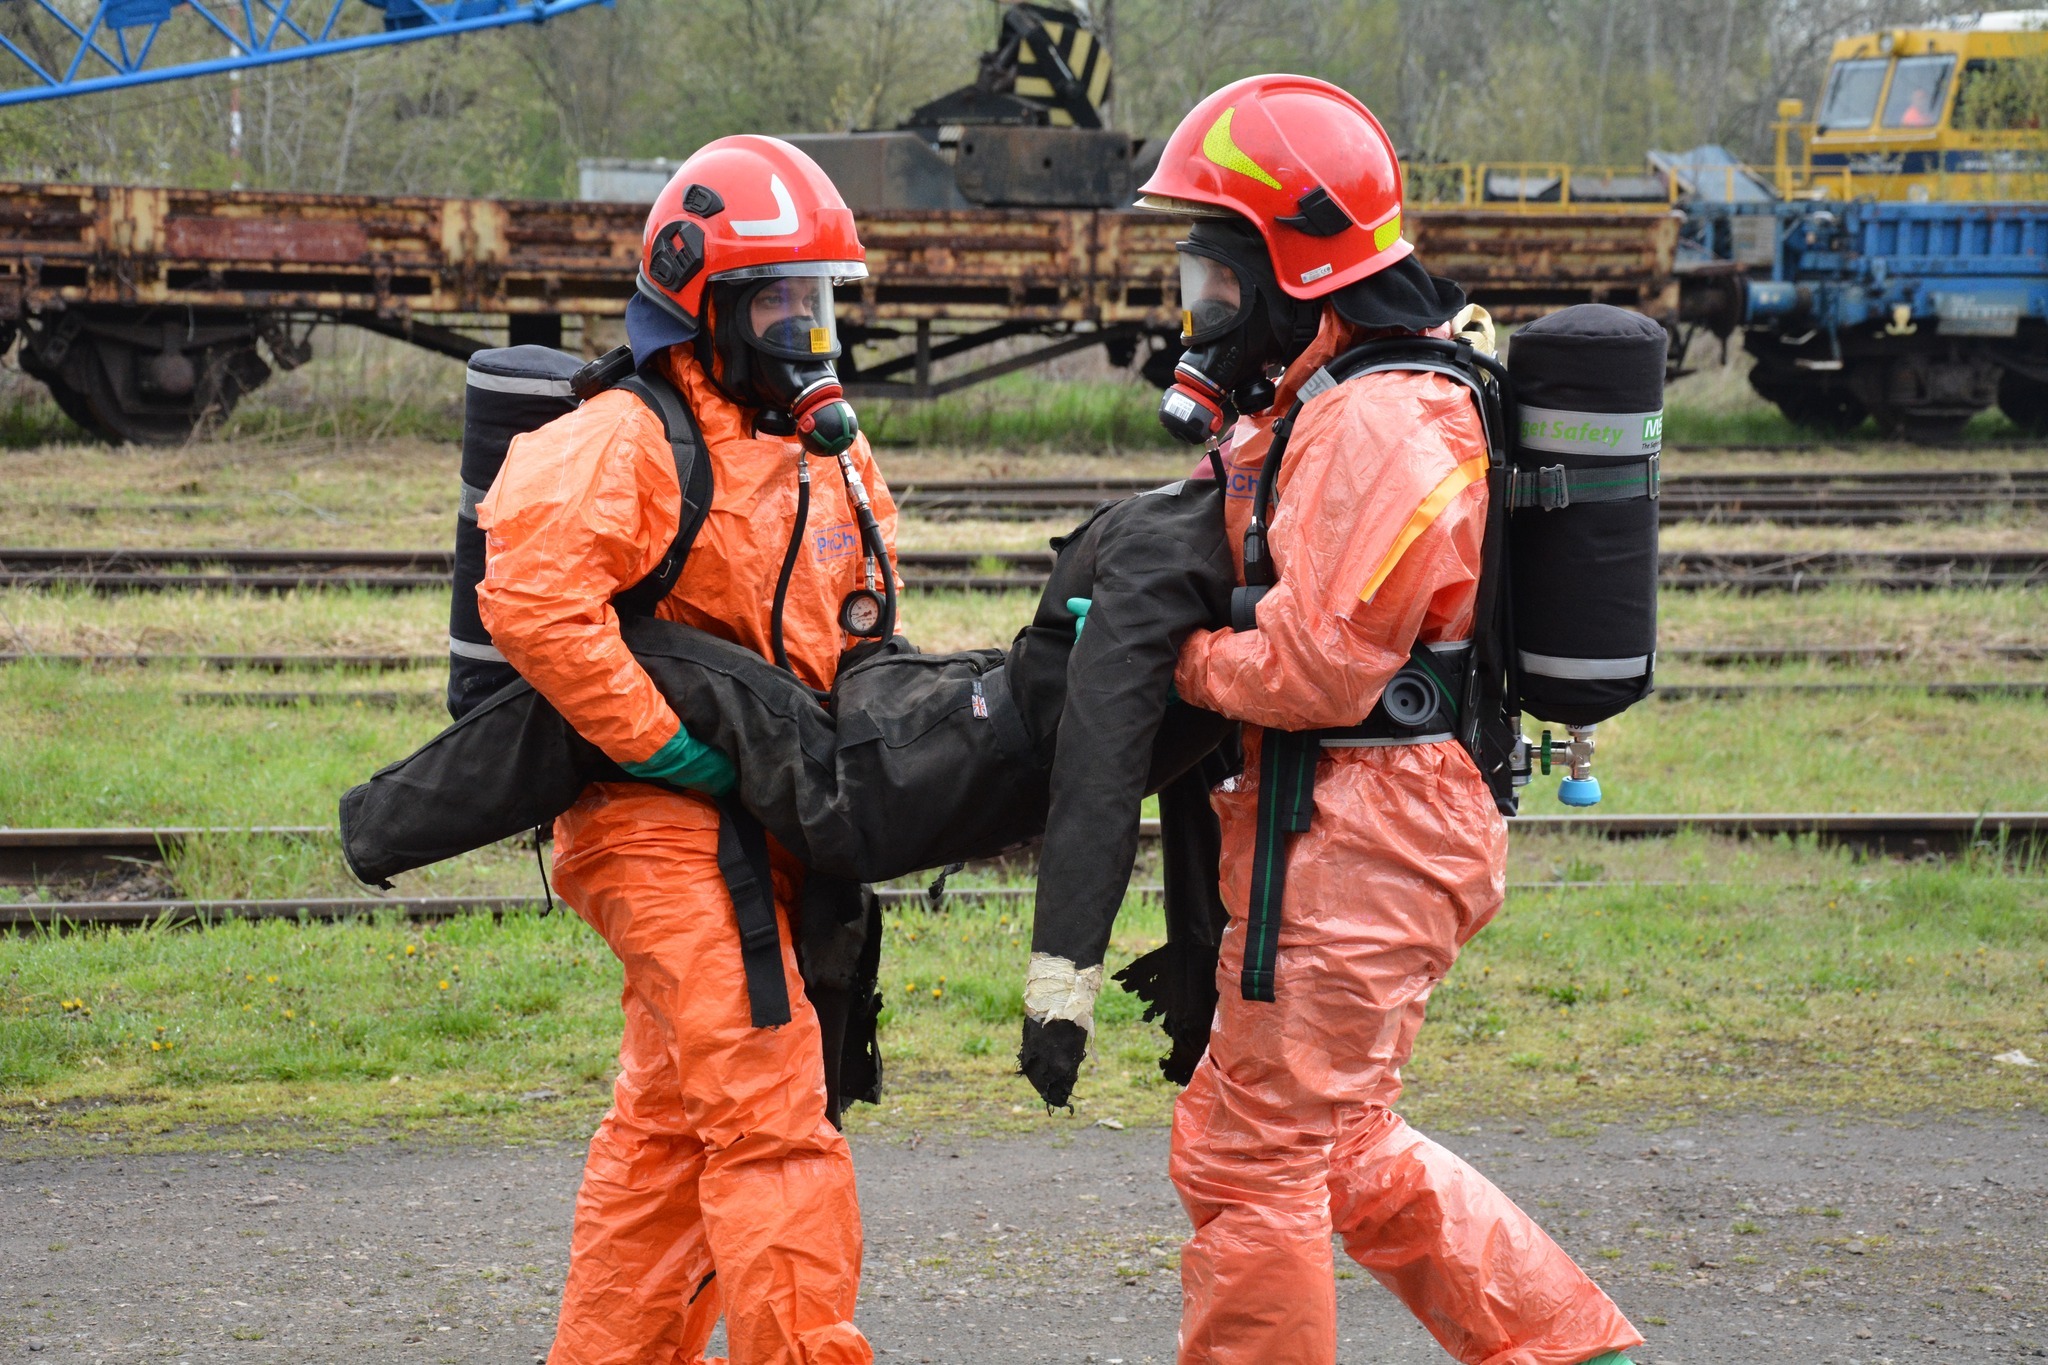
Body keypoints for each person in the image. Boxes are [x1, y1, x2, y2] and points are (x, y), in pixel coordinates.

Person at [1132, 74, 1644, 1365]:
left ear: (1290, 268)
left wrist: (1170, 658)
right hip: (1353, 823)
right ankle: (1574, 1349)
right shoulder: (1336, 392)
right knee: (1339, 1146)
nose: (1199, 311)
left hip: (1367, 833)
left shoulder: (1376, 417)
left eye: (1214, 276)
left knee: (1252, 1158)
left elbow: (1314, 671)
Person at [473, 136, 890, 1365]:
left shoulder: (820, 450)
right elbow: (535, 599)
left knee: (664, 1137)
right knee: (771, 1117)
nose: (806, 330)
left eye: (818, 301)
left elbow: (851, 618)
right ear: (694, 297)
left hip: (764, 821)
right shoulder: (628, 436)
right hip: (660, 828)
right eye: (779, 302)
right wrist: (667, 750)